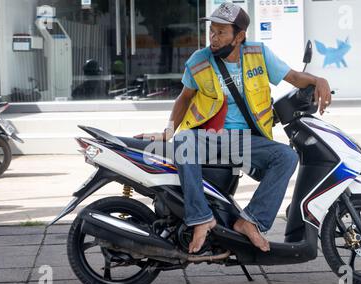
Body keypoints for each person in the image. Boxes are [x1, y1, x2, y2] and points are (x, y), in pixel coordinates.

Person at [135, 2, 332, 254]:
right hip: (208, 138)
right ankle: (201, 218)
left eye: (221, 32)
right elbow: (183, 99)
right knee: (184, 142)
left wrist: (319, 80)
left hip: (246, 141)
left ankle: (250, 221)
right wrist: (168, 131)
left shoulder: (258, 54)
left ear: (239, 36)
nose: (213, 38)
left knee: (287, 156)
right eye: (212, 31)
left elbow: (293, 77)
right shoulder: (199, 60)